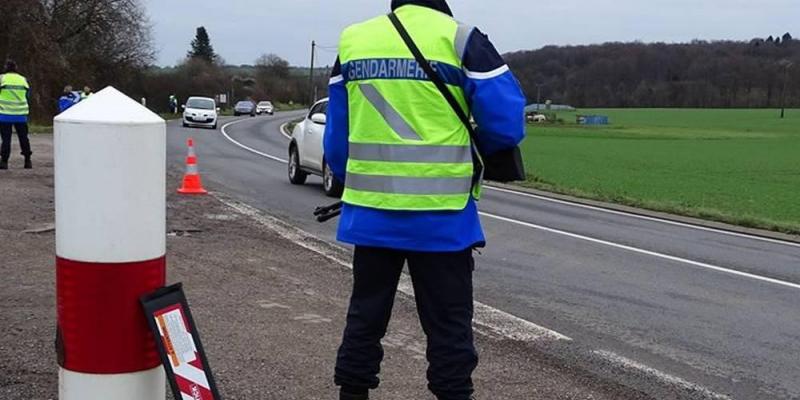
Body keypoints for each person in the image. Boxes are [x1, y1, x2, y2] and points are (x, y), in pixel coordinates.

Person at [323, 1, 526, 399]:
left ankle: (352, 393)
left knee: (365, 318)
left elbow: (337, 141)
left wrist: (359, 180)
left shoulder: (354, 41)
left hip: (371, 215)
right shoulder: (460, 38)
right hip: (442, 218)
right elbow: (506, 122)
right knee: (448, 326)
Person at [0, 60, 33, 170]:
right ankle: (27, 160)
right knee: (23, 138)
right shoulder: (23, 79)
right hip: (21, 114)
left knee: (6, 139)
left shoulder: (2, 78)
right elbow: (28, 95)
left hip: (5, 114)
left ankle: (4, 161)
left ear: (6, 68)